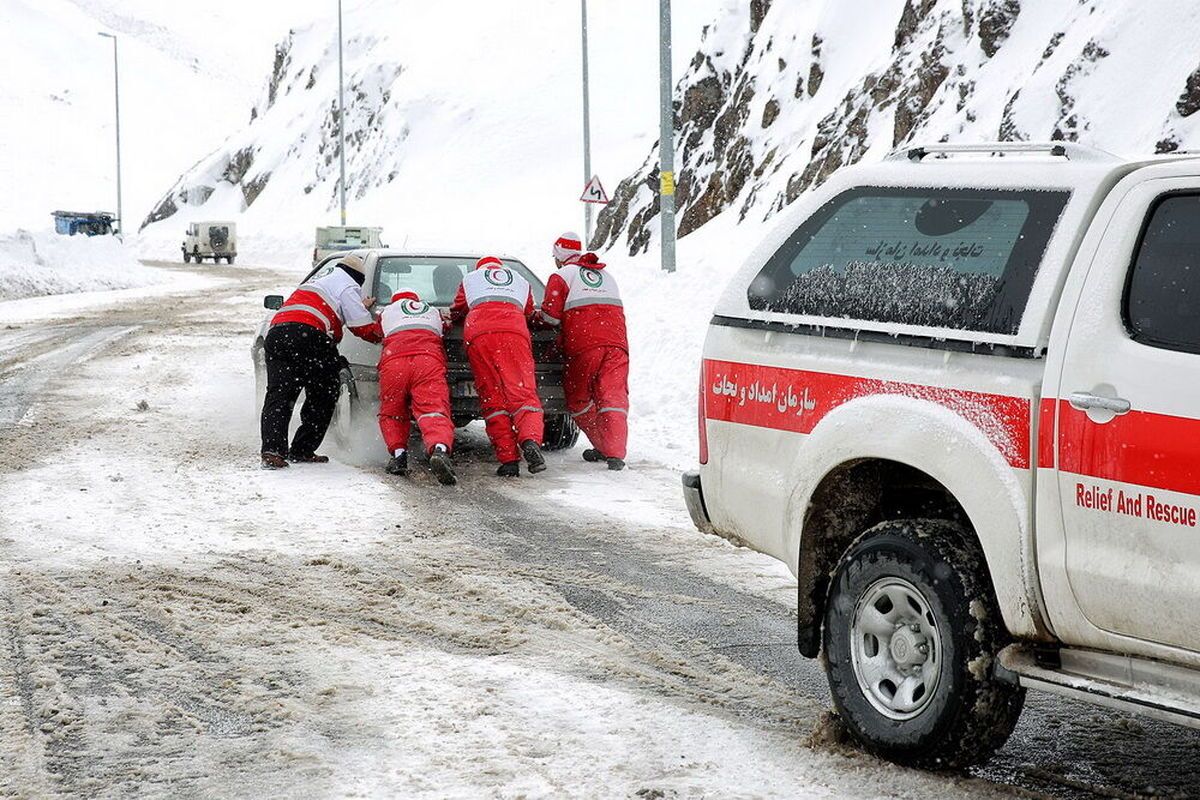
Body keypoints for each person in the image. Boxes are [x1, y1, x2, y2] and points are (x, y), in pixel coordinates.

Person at [260, 253, 382, 469]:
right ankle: (302, 449)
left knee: (280, 394)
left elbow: (331, 303)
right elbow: (361, 327)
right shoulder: (349, 287)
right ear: (358, 278)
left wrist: (356, 305)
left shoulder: (319, 281)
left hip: (278, 334)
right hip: (310, 336)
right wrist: (386, 335)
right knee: (324, 393)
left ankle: (272, 451)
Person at [449, 256, 546, 477]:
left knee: (492, 398)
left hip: (480, 335)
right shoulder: (520, 280)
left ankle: (509, 460)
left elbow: (457, 310)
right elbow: (529, 312)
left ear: (480, 268)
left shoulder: (471, 278)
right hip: (514, 333)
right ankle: (530, 440)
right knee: (522, 393)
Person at [540, 234, 629, 470]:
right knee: (613, 398)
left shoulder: (562, 276)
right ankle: (615, 452)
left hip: (584, 346)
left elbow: (550, 317)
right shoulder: (606, 276)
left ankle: (603, 444)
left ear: (559, 256)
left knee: (579, 398)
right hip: (617, 345)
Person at [376, 288, 457, 486]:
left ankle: (398, 455)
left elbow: (374, 332)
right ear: (417, 301)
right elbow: (446, 327)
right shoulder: (431, 311)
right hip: (427, 360)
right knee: (433, 410)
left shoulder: (387, 312)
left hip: (394, 362)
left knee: (393, 411)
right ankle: (439, 449)